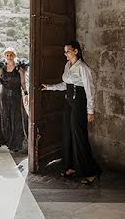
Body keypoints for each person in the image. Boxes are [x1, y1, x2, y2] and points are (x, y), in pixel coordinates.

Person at [41, 39, 101, 185]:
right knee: (67, 134)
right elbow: (65, 85)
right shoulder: (68, 65)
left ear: (76, 51)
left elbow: (90, 89)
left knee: (79, 136)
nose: (65, 54)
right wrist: (49, 87)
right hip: (69, 103)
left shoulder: (83, 68)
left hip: (79, 104)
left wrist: (90, 110)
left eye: (68, 51)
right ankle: (72, 166)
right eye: (65, 51)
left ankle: (90, 172)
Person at [0, 48, 29, 151]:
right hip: (4, 96)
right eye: (7, 55)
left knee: (16, 118)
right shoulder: (2, 68)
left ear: (14, 56)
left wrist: (26, 93)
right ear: (5, 56)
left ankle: (16, 143)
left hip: (16, 96)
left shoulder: (19, 68)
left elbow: (23, 83)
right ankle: (6, 141)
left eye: (11, 55)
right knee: (5, 116)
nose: (9, 57)